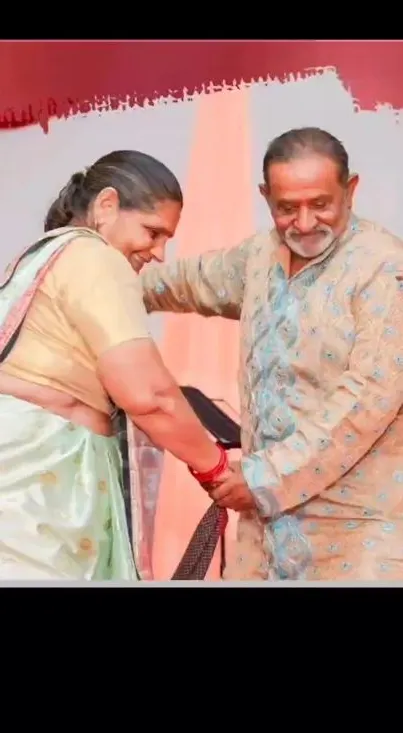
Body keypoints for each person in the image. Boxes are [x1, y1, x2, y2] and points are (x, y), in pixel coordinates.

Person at [141, 127, 403, 581]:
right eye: (286, 208)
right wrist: (97, 280)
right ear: (266, 197)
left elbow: (364, 402)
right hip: (263, 537)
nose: (303, 223)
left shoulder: (383, 268)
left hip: (358, 533)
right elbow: (188, 281)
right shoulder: (261, 255)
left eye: (320, 204)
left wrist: (264, 478)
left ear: (351, 190)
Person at [0, 149, 230, 581]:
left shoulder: (38, 257)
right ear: (107, 205)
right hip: (34, 494)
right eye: (153, 232)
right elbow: (149, 396)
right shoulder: (94, 255)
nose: (160, 252)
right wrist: (214, 467)